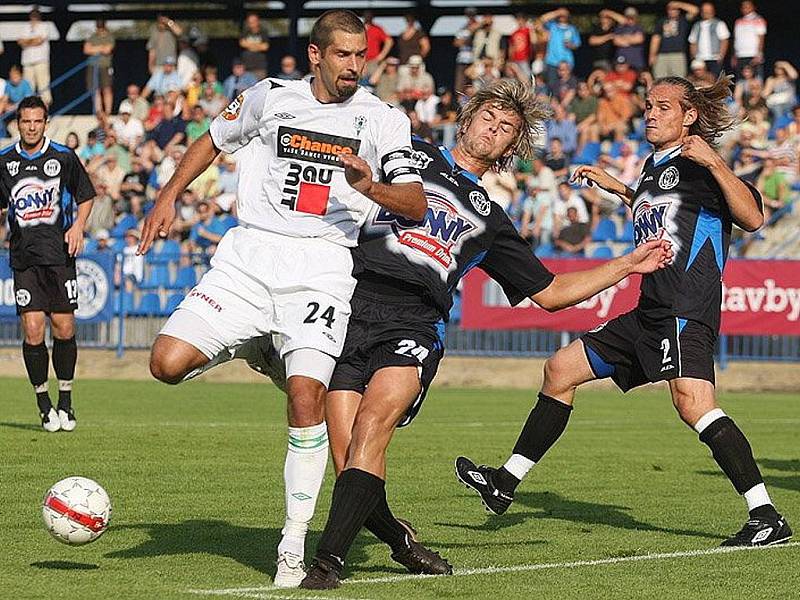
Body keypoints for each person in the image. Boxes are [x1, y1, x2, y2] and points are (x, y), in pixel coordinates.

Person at [298, 78, 673, 589]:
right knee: (348, 467)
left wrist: (627, 264)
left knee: (371, 430)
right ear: (467, 118)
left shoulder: (490, 220)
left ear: (508, 150)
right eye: (488, 119)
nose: (493, 130)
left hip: (413, 322)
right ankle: (400, 538)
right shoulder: (409, 153)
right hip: (350, 305)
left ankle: (326, 565)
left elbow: (550, 292)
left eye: (506, 129)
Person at [136, 9, 426, 589]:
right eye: (342, 55)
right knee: (165, 364)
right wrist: (167, 195)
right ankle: (261, 347)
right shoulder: (268, 98)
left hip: (321, 268)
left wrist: (369, 186)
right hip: (249, 257)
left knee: (304, 399)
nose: (353, 66)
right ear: (316, 56)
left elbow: (416, 205)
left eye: (360, 55)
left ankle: (293, 546)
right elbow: (210, 141)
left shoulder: (383, 120)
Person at [456, 74, 793, 549]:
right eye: (648, 106)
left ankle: (766, 515)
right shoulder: (657, 168)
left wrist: (716, 161)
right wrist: (619, 188)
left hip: (683, 306)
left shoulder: (699, 165)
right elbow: (669, 214)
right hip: (649, 308)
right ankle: (504, 483)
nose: (650, 114)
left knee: (693, 404)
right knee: (560, 368)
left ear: (688, 116)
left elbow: (755, 218)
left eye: (662, 107)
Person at [0, 96, 96, 432]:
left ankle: (66, 401)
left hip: (59, 256)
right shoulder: (5, 161)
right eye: (25, 121)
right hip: (24, 259)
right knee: (32, 330)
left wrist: (78, 226)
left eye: (37, 121)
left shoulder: (63, 157)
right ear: (17, 124)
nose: (31, 127)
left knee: (65, 328)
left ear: (46, 122)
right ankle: (44, 404)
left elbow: (86, 195)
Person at [649, 1, 699, 79]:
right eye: (670, 9)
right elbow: (656, 38)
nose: (673, 11)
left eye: (675, 9)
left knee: (678, 80)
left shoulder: (683, 20)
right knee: (660, 79)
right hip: (662, 55)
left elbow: (695, 10)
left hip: (678, 54)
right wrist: (652, 55)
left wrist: (679, 4)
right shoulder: (661, 21)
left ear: (679, 10)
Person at [17, 9, 51, 106]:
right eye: (32, 16)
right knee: (28, 89)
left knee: (43, 89)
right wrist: (32, 40)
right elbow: (20, 41)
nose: (34, 18)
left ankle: (45, 114)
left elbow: (39, 40)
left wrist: (27, 41)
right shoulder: (25, 27)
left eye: (36, 16)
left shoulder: (44, 26)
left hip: (41, 61)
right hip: (27, 62)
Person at [688, 3, 730, 77]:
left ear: (713, 11)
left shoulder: (719, 23)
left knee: (715, 80)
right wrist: (694, 57)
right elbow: (692, 42)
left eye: (709, 10)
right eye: (704, 10)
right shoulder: (696, 25)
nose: (706, 12)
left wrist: (721, 56)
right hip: (700, 59)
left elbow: (724, 40)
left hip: (714, 58)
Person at [83, 19, 115, 115]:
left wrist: (95, 48)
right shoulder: (93, 37)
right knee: (95, 89)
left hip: (105, 66)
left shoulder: (109, 37)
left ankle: (108, 111)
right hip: (93, 66)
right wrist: (101, 48)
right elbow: (86, 49)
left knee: (107, 88)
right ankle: (99, 111)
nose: (99, 28)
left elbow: (108, 49)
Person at [239, 13, 270, 80]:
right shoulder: (245, 32)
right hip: (246, 67)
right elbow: (242, 43)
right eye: (249, 22)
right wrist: (258, 46)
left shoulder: (263, 32)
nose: (251, 24)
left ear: (257, 21)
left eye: (253, 22)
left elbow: (265, 47)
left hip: (260, 67)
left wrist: (249, 45)